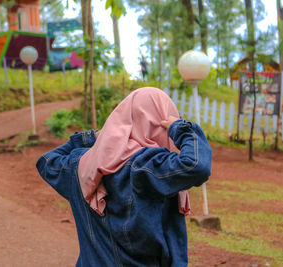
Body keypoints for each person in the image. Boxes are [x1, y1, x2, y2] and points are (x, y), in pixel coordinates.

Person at [36, 87, 212, 266]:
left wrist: (92, 138)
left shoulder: (81, 165)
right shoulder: (149, 166)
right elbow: (196, 164)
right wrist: (181, 128)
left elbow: (46, 161)